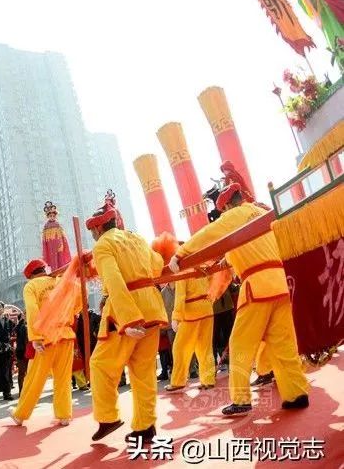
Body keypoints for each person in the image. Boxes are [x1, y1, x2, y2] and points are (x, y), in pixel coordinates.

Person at [171, 180, 309, 416]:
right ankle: (296, 393)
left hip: (257, 288)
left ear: (225, 208)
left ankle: (241, 400)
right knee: (283, 344)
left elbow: (207, 234)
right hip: (279, 283)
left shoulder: (232, 218)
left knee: (240, 344)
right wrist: (222, 263)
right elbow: (246, 251)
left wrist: (181, 253)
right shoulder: (262, 213)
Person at [86, 196, 167, 443]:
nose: (92, 234)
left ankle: (108, 417)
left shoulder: (103, 246)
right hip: (152, 309)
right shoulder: (137, 238)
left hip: (127, 315)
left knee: (99, 365)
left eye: (92, 230)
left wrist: (129, 320)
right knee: (143, 372)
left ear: (99, 228)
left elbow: (114, 281)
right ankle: (146, 426)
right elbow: (157, 267)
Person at [11, 259, 81, 428]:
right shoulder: (61, 281)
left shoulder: (31, 286)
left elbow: (33, 310)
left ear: (30, 275)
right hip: (65, 334)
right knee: (63, 378)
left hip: (46, 337)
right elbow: (77, 303)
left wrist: (35, 337)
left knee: (36, 378)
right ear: (45, 269)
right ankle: (64, 415)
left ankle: (20, 414)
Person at [165, 273, 216, 393]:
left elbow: (180, 296)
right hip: (207, 309)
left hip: (191, 312)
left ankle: (178, 381)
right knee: (205, 348)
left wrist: (176, 317)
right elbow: (213, 284)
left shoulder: (183, 270)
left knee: (179, 348)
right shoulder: (201, 266)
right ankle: (208, 380)